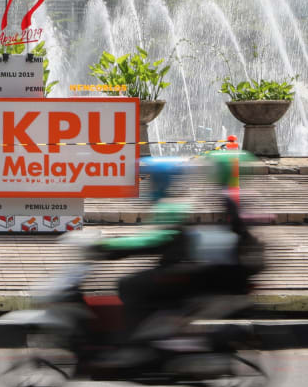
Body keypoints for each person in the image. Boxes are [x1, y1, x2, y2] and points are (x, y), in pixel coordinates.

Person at [92, 151, 262, 366]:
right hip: (206, 271)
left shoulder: (177, 204)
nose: (147, 184)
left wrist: (112, 246)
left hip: (196, 273)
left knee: (130, 284)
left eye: (150, 179)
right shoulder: (225, 197)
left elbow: (155, 240)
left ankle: (133, 346)